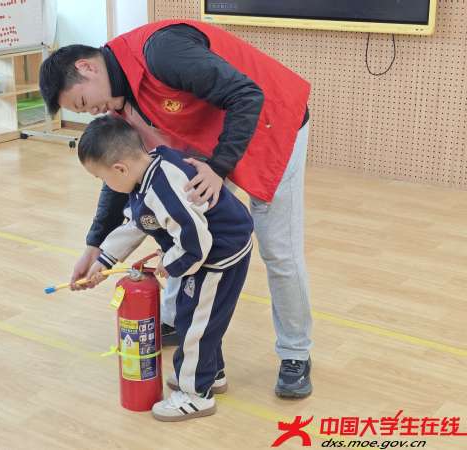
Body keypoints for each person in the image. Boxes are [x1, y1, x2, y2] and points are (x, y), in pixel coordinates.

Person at [39, 19, 313, 398]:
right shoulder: (120, 101)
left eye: (83, 103)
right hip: (213, 134)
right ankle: (173, 320)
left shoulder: (161, 52)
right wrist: (94, 246)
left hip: (271, 120)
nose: (91, 112)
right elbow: (122, 177)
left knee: (277, 248)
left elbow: (247, 94)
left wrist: (218, 168)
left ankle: (295, 353)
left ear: (86, 67)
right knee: (175, 220)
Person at [78, 115, 253, 421]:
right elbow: (137, 222)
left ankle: (195, 394)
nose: (105, 185)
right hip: (209, 250)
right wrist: (103, 261)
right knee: (201, 317)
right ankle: (210, 373)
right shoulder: (147, 172)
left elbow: (196, 241)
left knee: (195, 323)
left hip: (217, 255)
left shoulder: (163, 189)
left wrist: (170, 263)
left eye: (101, 178)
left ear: (120, 169)